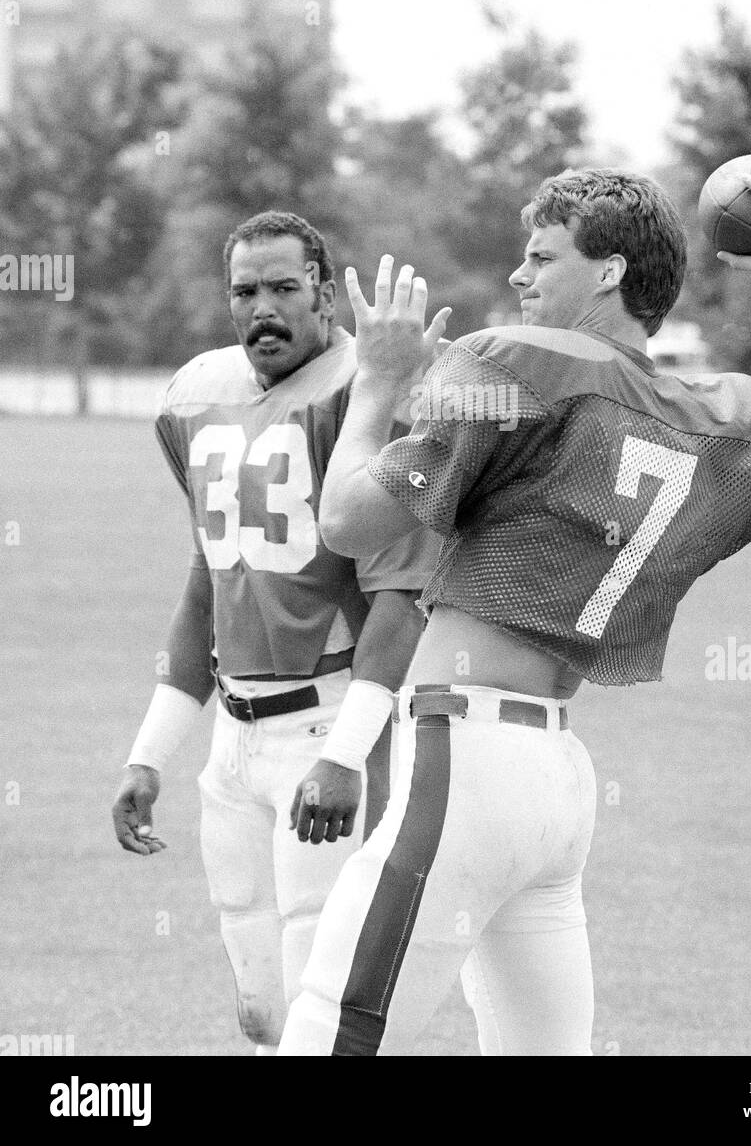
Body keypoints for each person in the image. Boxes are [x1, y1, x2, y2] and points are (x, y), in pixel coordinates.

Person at [277, 158, 751, 1057]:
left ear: (612, 271)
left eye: (542, 257)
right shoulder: (706, 411)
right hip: (555, 780)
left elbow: (350, 522)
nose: (518, 275)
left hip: (462, 757)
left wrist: (378, 382)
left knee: (330, 1032)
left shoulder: (514, 361)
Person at [111, 210, 439, 1054]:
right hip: (232, 737)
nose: (263, 308)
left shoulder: (364, 393)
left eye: (284, 288)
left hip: (323, 725)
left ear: (324, 293)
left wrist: (343, 755)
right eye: (245, 291)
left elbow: (402, 598)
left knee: (313, 993)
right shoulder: (198, 395)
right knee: (260, 1004)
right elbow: (209, 582)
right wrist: (151, 752)